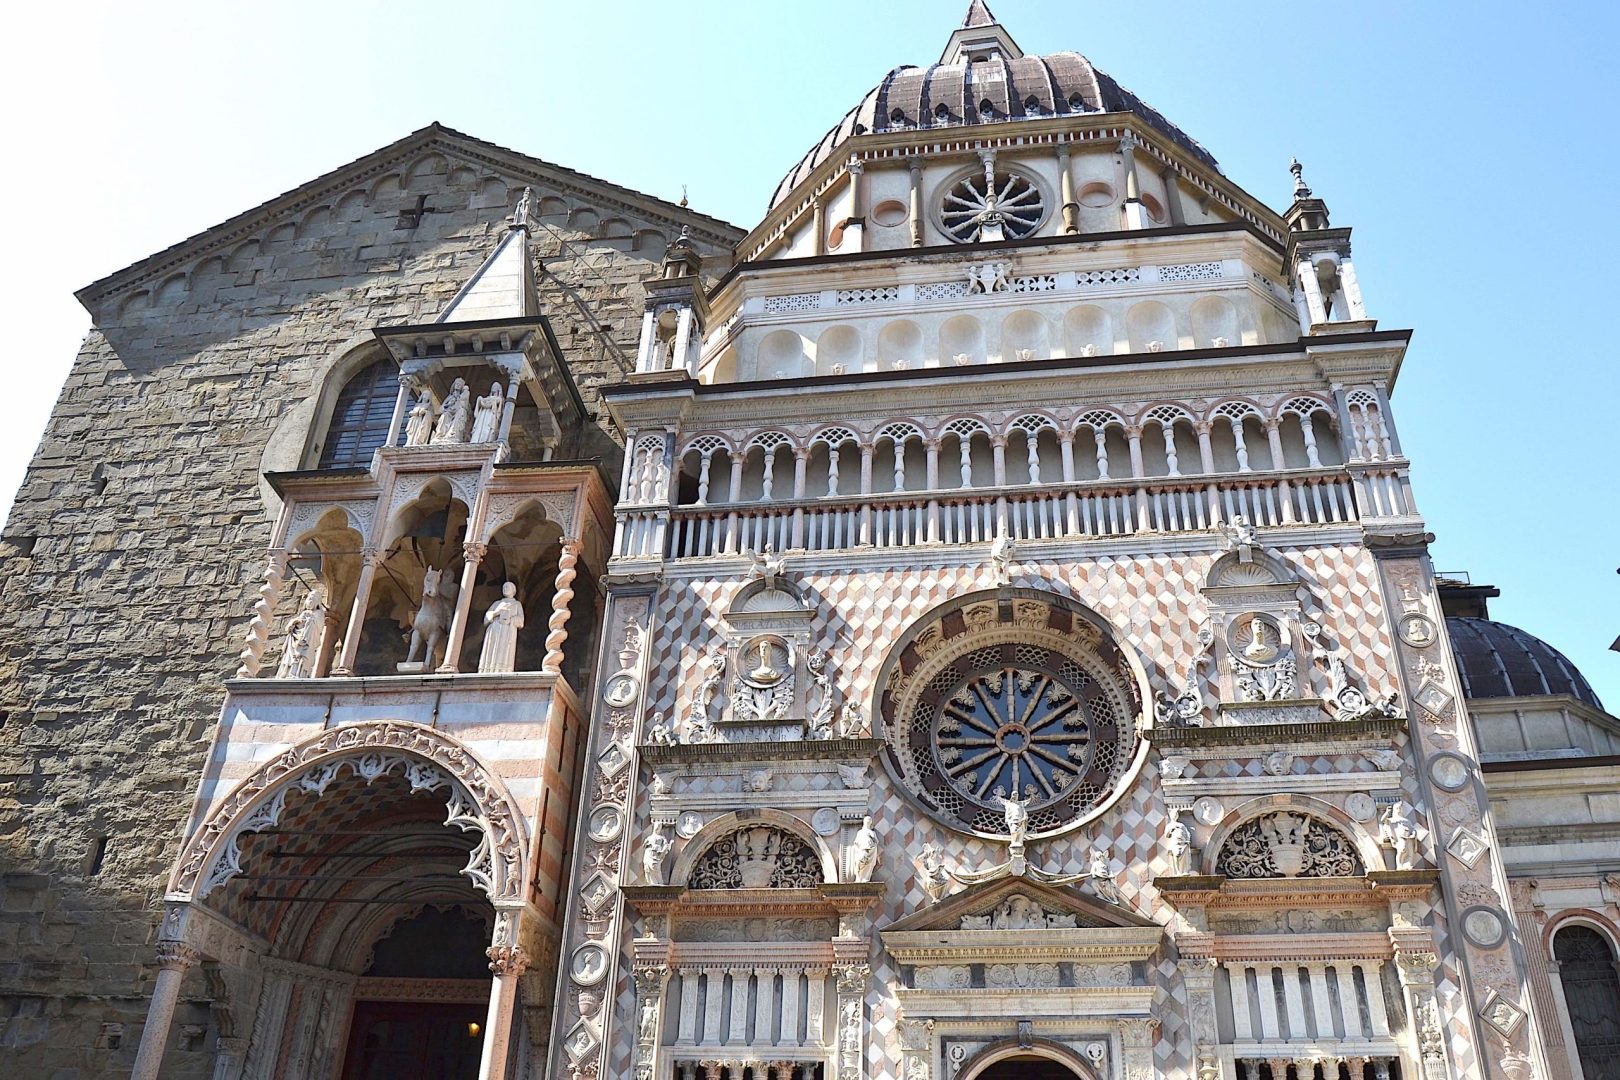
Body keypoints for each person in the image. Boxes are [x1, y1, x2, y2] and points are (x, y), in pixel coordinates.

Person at [478, 583, 525, 673]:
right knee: (491, 651)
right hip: (494, 630)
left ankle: (504, 670)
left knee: (505, 652)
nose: (505, 588)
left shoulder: (516, 604)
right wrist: (497, 612)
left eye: (508, 587)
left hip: (508, 631)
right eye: (504, 587)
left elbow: (521, 621)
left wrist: (510, 619)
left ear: (513, 591)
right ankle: (488, 669)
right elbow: (487, 618)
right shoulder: (497, 603)